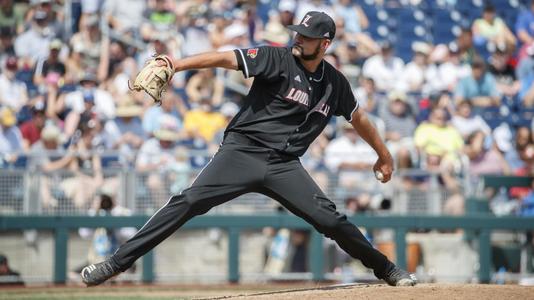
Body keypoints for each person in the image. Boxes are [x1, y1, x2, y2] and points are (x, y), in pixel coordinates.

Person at [81, 11, 417, 287]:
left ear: (325, 44)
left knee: (331, 219)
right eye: (298, 33)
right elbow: (225, 58)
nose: (298, 38)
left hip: (284, 164)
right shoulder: (276, 57)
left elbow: (359, 119)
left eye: (307, 36)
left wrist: (384, 154)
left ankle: (387, 270)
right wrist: (174, 63)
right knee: (188, 201)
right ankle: (114, 263)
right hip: (241, 152)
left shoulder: (335, 83)